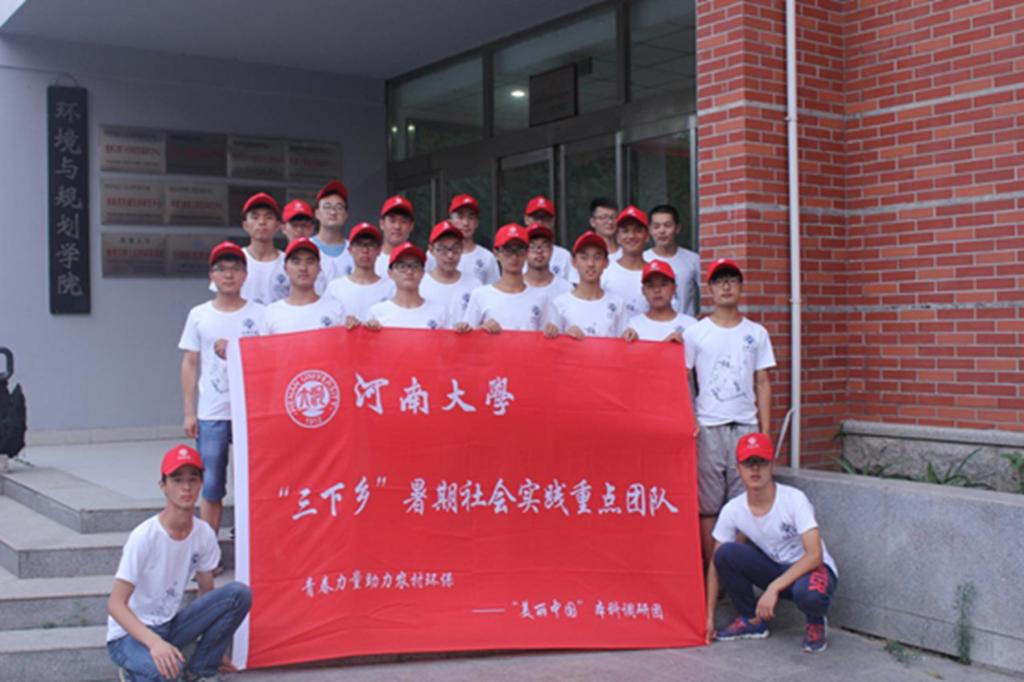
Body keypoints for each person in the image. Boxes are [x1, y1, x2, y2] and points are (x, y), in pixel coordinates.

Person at [107, 444, 252, 681]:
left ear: (201, 483)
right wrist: (154, 643)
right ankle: (134, 670)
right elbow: (115, 604)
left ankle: (202, 669)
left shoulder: (204, 534)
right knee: (166, 672)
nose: (186, 487)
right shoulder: (144, 537)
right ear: (163, 486)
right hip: (129, 636)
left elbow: (206, 593)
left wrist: (213, 649)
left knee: (238, 594)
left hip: (169, 625)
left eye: (193, 479)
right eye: (177, 479)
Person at [705, 432, 837, 654]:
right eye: (748, 463)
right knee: (725, 553)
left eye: (762, 462)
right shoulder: (733, 509)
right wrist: (709, 617)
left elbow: (815, 555)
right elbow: (715, 565)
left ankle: (816, 621)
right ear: (738, 469)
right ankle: (751, 620)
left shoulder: (794, 499)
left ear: (772, 465)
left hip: (812, 570)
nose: (755, 469)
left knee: (810, 594)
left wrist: (773, 588)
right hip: (776, 569)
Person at [684, 258, 775, 569]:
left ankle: (736, 568)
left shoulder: (756, 333)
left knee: (744, 503)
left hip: (746, 427)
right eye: (719, 281)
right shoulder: (695, 333)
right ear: (710, 288)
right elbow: (684, 379)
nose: (726, 286)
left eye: (732, 280)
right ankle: (714, 571)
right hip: (709, 427)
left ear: (740, 287)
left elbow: (763, 382)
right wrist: (691, 419)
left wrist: (765, 431)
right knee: (709, 505)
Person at [179, 241, 266, 541]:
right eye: (222, 269)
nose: (229, 275)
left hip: (251, 413)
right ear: (211, 276)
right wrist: (189, 411)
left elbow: (272, 360)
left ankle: (249, 547)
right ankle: (209, 549)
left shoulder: (262, 315)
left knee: (251, 482)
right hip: (212, 412)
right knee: (212, 483)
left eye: (236, 269)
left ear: (245, 275)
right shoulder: (199, 314)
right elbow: (190, 363)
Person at [459, 224, 551, 333]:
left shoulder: (541, 298)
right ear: (496, 253)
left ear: (527, 253)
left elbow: (547, 338)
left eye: (519, 250)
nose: (514, 257)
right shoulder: (480, 295)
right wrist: (481, 331)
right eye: (508, 250)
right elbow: (468, 337)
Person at [264, 238, 356, 334]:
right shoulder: (271, 313)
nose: (303, 268)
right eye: (296, 262)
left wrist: (354, 328)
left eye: (310, 262)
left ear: (319, 268)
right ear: (285, 268)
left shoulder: (336, 309)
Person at [545, 232, 626, 339]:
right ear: (574, 262)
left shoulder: (618, 304)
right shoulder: (560, 304)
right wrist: (564, 336)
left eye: (597, 258)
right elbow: (552, 345)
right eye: (584, 258)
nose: (590, 264)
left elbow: (624, 344)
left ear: (606, 263)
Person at [367, 242, 449, 330]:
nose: (409, 272)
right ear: (390, 273)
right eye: (402, 266)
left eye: (415, 266)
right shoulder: (377, 313)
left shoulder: (439, 313)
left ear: (422, 273)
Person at [325, 222, 395, 323]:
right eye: (359, 245)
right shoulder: (335, 287)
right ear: (350, 250)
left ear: (379, 250)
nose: (365, 250)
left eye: (370, 245)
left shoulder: (391, 287)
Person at [420, 220, 482, 323]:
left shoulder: (475, 286)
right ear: (431, 250)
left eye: (455, 248)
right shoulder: (420, 285)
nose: (450, 255)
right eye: (442, 249)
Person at [645, 204, 701, 317]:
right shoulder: (643, 259)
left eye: (667, 225)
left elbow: (709, 294)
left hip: (686, 325)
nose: (662, 231)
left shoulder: (693, 260)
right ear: (650, 230)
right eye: (656, 226)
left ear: (677, 228)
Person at [623, 260, 698, 343]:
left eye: (663, 285)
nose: (657, 290)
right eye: (651, 286)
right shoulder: (633, 326)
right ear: (643, 291)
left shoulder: (691, 325)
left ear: (674, 288)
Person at [234, 192, 288, 305]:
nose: (262, 222)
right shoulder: (234, 260)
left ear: (278, 225)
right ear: (245, 225)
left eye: (268, 217)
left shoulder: (289, 262)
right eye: (255, 217)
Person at [435, 193, 500, 284]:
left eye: (471, 217)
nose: (466, 223)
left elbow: (494, 290)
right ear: (450, 221)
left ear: (477, 223)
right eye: (460, 217)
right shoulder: (435, 255)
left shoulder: (487, 258)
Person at [600, 205, 650, 319]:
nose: (631, 236)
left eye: (638, 231)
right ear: (618, 237)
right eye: (625, 231)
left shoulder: (656, 274)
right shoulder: (604, 271)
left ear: (647, 236)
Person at [311, 180, 355, 281]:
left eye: (339, 207)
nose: (333, 212)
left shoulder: (355, 251)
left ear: (346, 215)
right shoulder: (306, 247)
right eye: (327, 207)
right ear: (317, 214)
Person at [523, 195, 573, 280]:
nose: (540, 222)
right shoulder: (517, 254)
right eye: (536, 218)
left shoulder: (564, 256)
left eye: (545, 218)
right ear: (526, 219)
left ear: (552, 221)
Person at [524, 223, 572, 300]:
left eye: (544, 246)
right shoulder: (514, 287)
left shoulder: (567, 289)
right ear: (524, 251)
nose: (539, 251)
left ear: (552, 250)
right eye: (532, 246)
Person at [375, 195, 416, 277]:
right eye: (392, 221)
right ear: (382, 224)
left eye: (403, 221)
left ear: (411, 226)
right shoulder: (370, 259)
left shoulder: (420, 261)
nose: (397, 226)